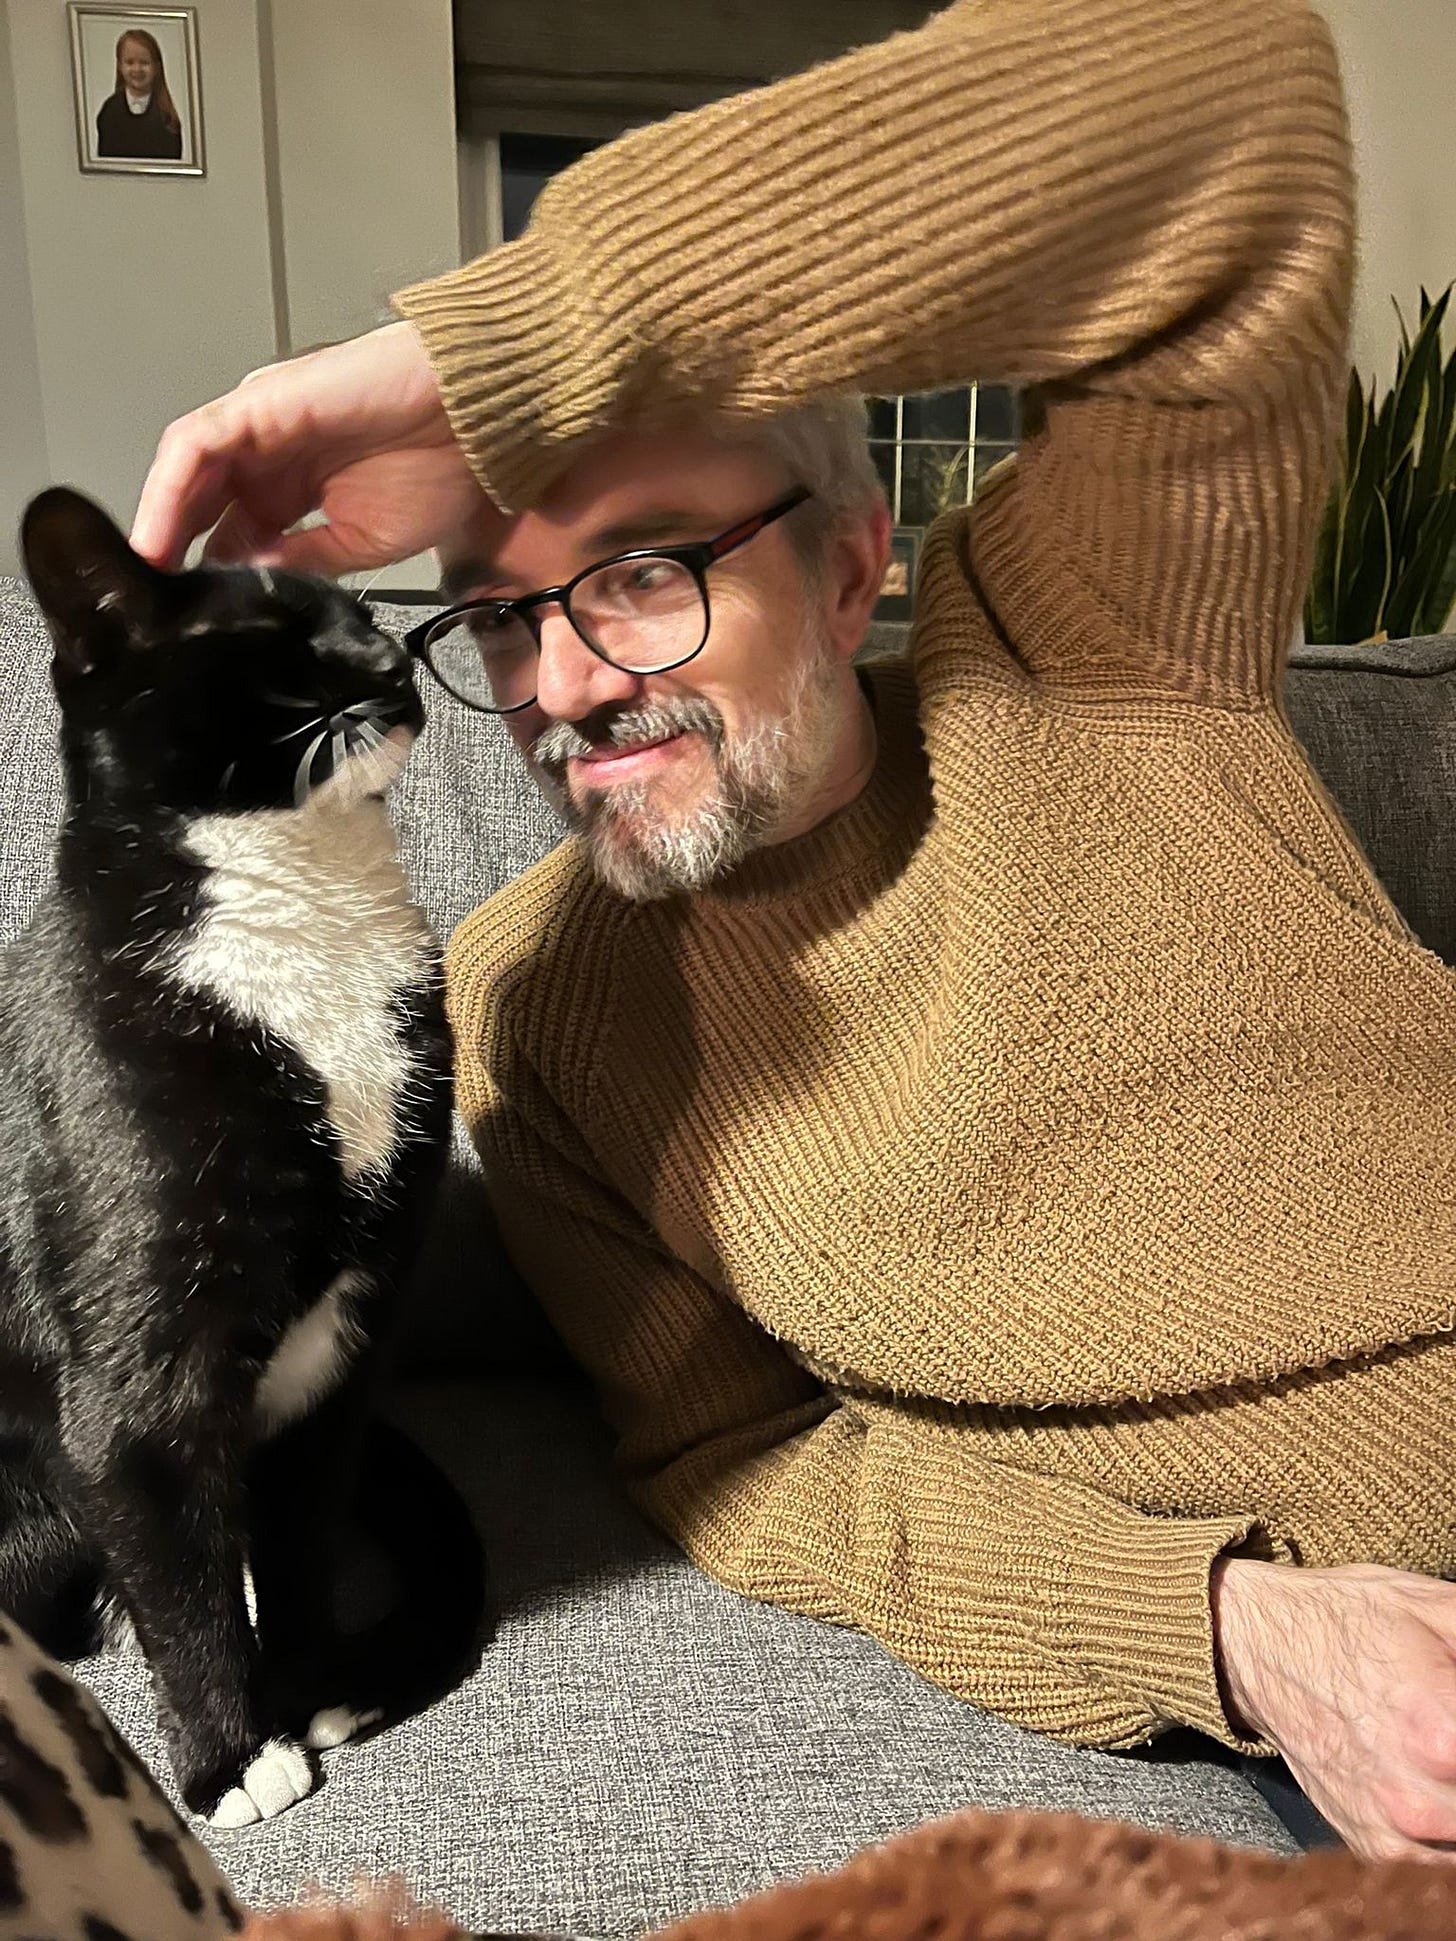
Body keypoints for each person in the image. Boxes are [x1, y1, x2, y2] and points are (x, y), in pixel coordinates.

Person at [130, 0, 1456, 1864]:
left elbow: (1232, 97)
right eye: (499, 618)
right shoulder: (533, 1014)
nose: (563, 687)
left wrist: (477, 361)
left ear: (846, 568)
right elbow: (752, 1462)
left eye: (640, 571)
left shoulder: (1091, 654)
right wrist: (1239, 1636)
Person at [94, 28, 183, 162]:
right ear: (119, 66)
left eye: (144, 62)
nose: (137, 69)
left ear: (157, 67)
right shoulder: (110, 111)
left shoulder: (167, 117)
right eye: (130, 62)